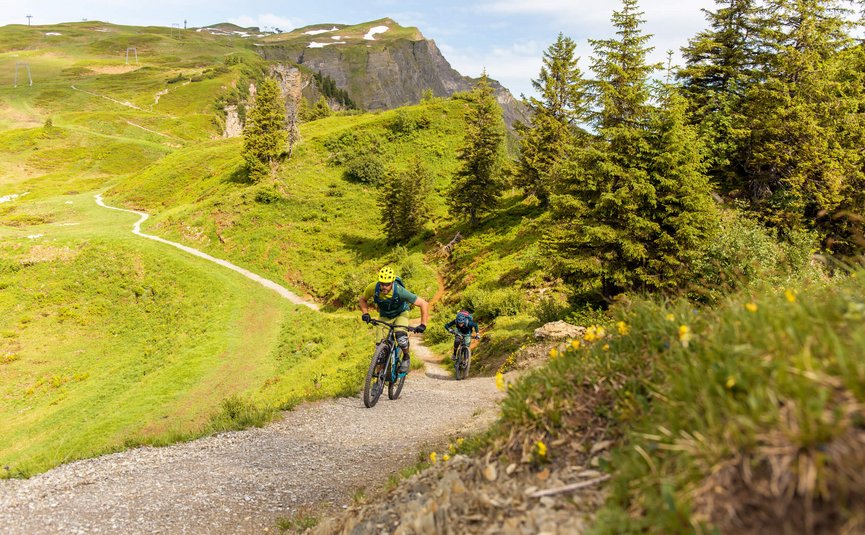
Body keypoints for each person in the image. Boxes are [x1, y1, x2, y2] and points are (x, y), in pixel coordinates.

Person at [359, 266, 429, 373]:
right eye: (382, 283)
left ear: (392, 282)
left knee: (401, 338)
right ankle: (379, 380)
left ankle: (406, 357)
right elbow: (363, 299)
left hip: (401, 314)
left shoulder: (400, 291)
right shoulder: (373, 288)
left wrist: (423, 324)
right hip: (385, 316)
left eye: (387, 284)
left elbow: (423, 303)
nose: (384, 287)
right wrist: (365, 313)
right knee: (380, 353)